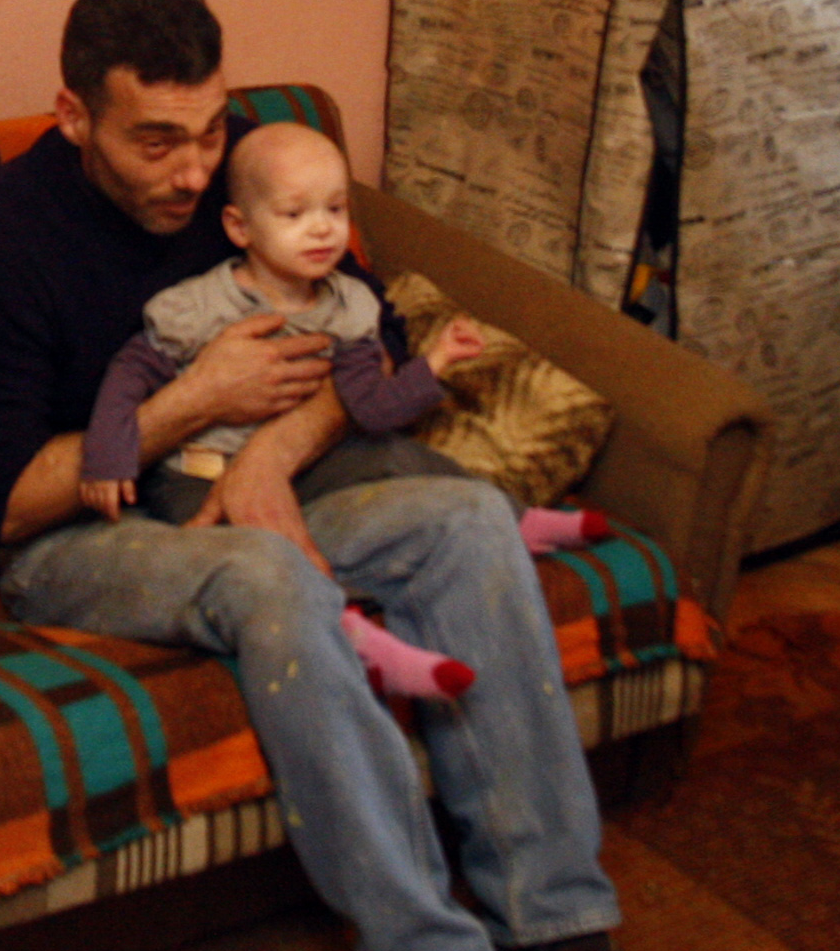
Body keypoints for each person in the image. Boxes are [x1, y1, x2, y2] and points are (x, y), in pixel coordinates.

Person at [0, 0, 724, 951]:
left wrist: (273, 452)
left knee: (468, 519)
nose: (194, 172)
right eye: (156, 142)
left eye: (208, 132)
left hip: (247, 491)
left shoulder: (243, 168)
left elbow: (372, 338)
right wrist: (195, 402)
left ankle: (558, 931)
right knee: (269, 580)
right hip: (77, 542)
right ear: (73, 115)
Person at [81, 120, 607, 702]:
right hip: (197, 476)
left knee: (388, 451)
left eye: (335, 209)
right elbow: (129, 373)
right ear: (239, 226)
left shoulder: (349, 305)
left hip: (303, 467)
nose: (322, 229)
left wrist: (433, 364)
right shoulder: (200, 304)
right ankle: (352, 635)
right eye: (295, 214)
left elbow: (373, 408)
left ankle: (516, 518)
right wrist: (109, 454)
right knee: (252, 550)